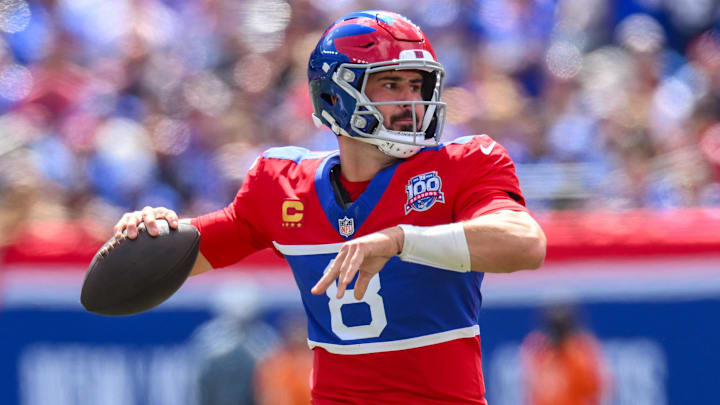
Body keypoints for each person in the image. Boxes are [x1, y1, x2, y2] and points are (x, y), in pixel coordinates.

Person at [113, 10, 546, 404]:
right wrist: (153, 229)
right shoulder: (282, 185)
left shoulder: (461, 165)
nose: (411, 102)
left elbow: (525, 243)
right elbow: (195, 248)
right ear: (336, 95)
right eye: (391, 84)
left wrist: (400, 241)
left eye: (417, 84)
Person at [521, 305, 608, 405]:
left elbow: (594, 389)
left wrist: (570, 353)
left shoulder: (581, 351)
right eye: (554, 328)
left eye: (561, 328)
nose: (557, 334)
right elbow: (534, 392)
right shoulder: (540, 352)